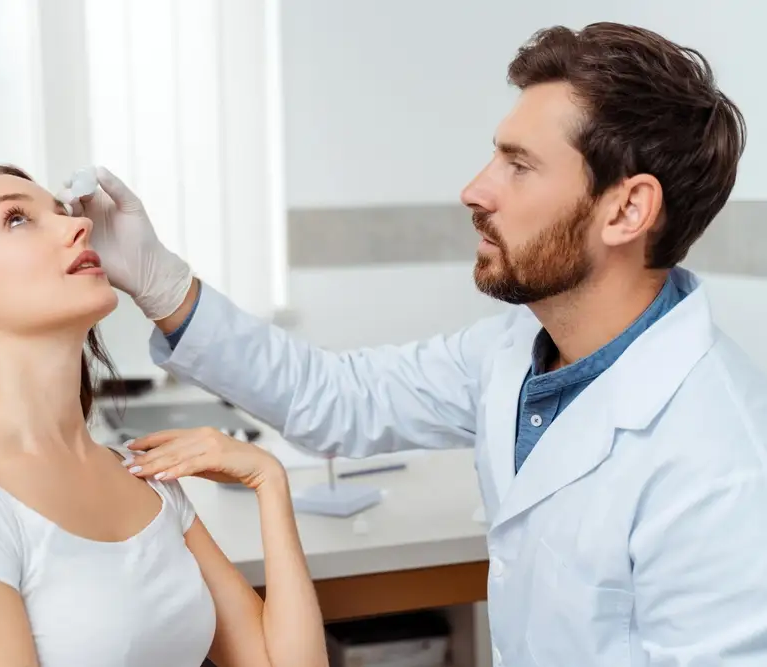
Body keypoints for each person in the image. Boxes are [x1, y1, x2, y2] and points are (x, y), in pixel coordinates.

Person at [60, 22, 767, 666]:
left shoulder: (721, 456)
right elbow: (337, 398)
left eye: (519, 166)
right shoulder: (515, 351)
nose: (474, 189)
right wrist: (162, 284)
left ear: (627, 209)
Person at [0, 165, 328, 667]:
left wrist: (269, 480)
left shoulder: (143, 479)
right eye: (16, 219)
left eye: (62, 212)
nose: (80, 226)